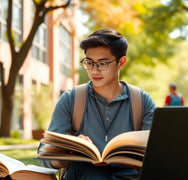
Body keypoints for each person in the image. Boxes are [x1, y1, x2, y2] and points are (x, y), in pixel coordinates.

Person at [37, 28, 157, 180]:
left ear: (121, 62)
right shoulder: (71, 99)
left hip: (129, 174)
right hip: (84, 174)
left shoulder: (142, 100)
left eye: (103, 63)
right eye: (89, 62)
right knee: (95, 174)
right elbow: (43, 154)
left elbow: (157, 153)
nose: (94, 70)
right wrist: (68, 153)